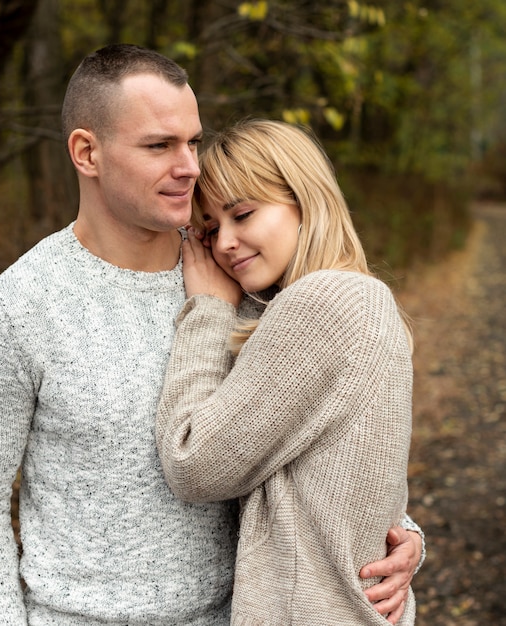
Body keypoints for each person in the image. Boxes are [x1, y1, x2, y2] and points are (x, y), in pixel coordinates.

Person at [0, 45, 422, 625]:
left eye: (193, 142)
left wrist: (401, 537)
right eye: (159, 145)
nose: (190, 166)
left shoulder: (244, 277)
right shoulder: (25, 304)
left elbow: (326, 447)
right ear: (87, 152)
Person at [156, 119, 421, 625]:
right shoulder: (361, 297)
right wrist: (413, 539)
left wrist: (208, 308)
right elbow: (351, 480)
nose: (225, 244)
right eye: (210, 229)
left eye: (243, 214)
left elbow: (193, 463)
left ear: (304, 200)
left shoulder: (323, 303)